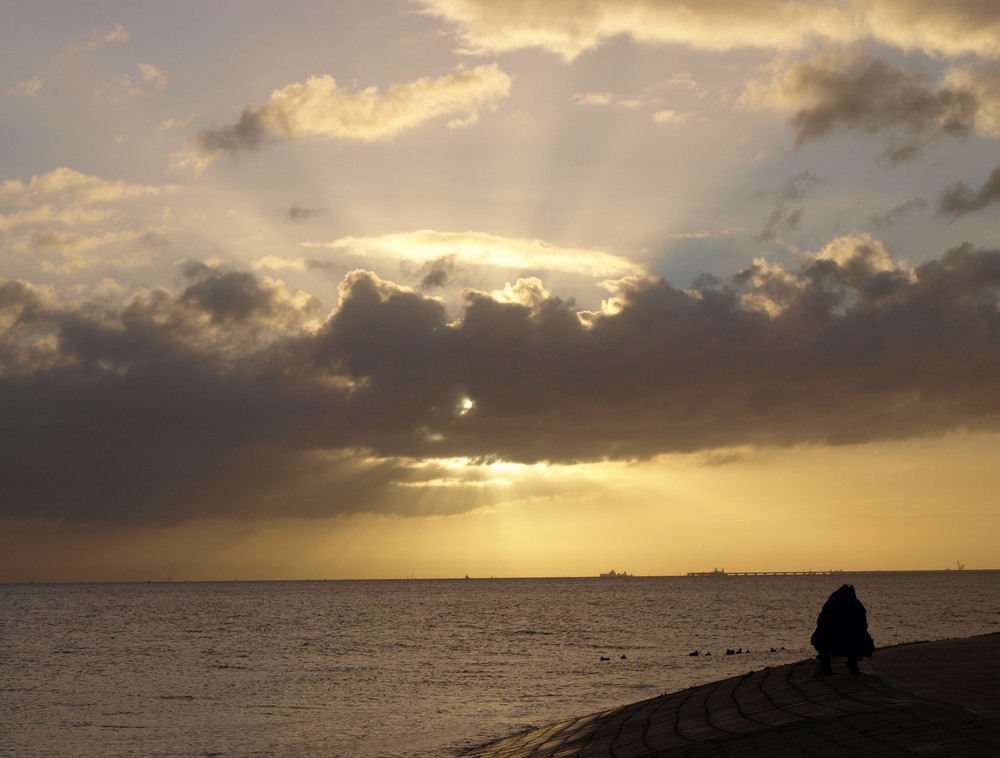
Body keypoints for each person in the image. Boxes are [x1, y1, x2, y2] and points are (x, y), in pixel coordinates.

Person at [810, 584, 875, 675]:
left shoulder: (831, 601)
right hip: (853, 643)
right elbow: (864, 625)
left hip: (831, 642)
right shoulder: (857, 603)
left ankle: (826, 666)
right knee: (861, 636)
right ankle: (853, 664)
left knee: (818, 636)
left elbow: (820, 622)